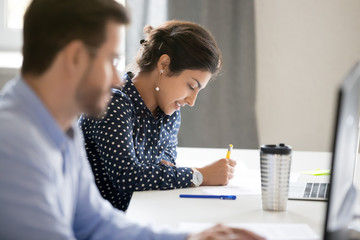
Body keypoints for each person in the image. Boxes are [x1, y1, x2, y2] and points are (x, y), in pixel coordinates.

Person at [0, 0, 266, 239]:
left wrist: (189, 238)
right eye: (110, 60)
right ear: (76, 57)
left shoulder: (61, 128)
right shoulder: (12, 144)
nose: (118, 79)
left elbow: (96, 223)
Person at [79, 20, 237, 212]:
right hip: (102, 224)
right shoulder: (113, 102)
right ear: (164, 64)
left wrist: (159, 173)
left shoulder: (169, 111)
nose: (192, 101)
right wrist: (200, 175)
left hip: (143, 215)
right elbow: (128, 178)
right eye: (191, 86)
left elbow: (165, 169)